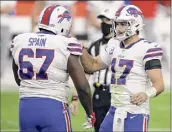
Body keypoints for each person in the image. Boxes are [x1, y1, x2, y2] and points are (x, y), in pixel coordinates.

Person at [79, 5, 164, 131]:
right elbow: (92, 66)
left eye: (123, 24)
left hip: (135, 112)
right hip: (114, 110)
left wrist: (146, 94)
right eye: (117, 24)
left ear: (135, 24)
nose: (118, 28)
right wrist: (82, 49)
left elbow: (159, 84)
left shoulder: (147, 48)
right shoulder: (114, 44)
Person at [11, 5, 95, 132]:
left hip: (25, 107)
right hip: (53, 107)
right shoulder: (65, 44)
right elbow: (83, 87)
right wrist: (90, 113)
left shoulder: (20, 40)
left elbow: (18, 78)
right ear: (63, 24)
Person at [86, 8, 114, 132]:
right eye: (102, 20)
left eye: (107, 20)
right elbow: (85, 74)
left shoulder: (123, 46)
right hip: (99, 93)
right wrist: (75, 98)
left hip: (118, 93)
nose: (103, 23)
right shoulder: (94, 46)